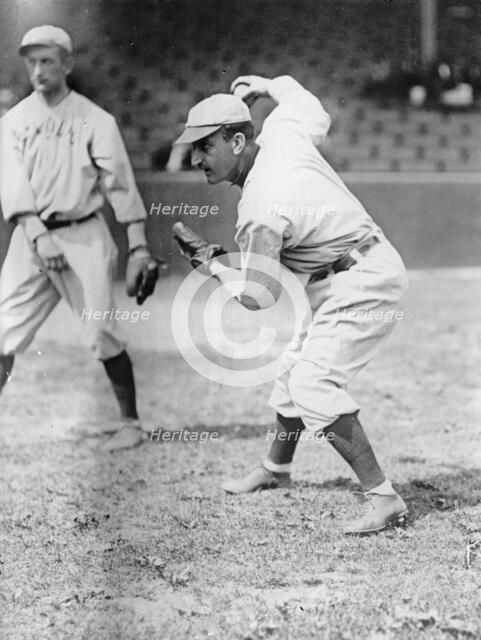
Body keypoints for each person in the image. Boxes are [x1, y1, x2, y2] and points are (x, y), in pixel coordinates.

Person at [173, 75, 409, 534]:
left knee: (312, 383)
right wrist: (265, 84)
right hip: (343, 275)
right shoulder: (282, 129)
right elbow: (303, 97)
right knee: (292, 370)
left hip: (363, 281)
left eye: (205, 146)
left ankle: (384, 498)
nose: (196, 159)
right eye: (193, 148)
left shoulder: (261, 206)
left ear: (238, 140)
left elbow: (257, 296)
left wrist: (211, 262)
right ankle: (275, 470)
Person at [0, 26, 160, 451]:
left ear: (67, 64)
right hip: (31, 236)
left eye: (47, 60)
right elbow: (12, 184)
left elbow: (121, 185)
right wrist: (36, 233)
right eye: (31, 61)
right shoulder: (13, 121)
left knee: (100, 332)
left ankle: (130, 424)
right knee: (1, 330)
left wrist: (139, 244)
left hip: (84, 234)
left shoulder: (96, 119)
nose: (38, 69)